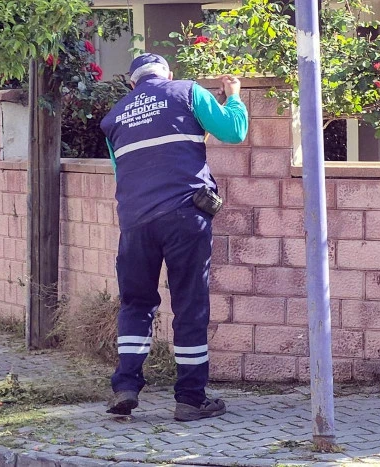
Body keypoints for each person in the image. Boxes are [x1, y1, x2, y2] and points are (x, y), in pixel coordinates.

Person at [100, 53, 248, 421]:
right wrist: (234, 96)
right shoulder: (188, 92)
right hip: (184, 215)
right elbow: (234, 131)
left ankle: (125, 386)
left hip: (135, 222)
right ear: (168, 74)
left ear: (132, 83)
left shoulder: (113, 118)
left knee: (135, 303)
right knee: (189, 305)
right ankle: (191, 399)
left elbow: (124, 171)